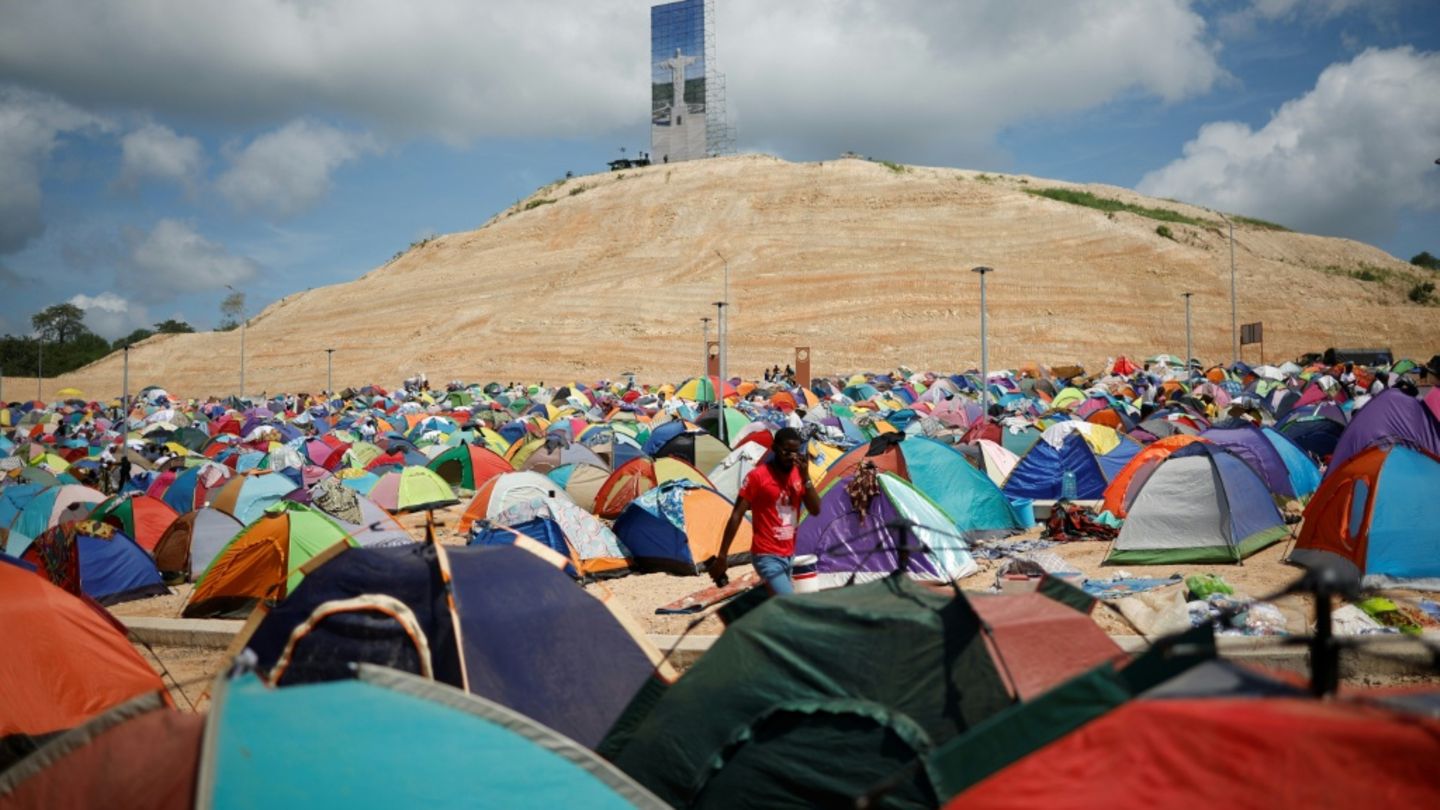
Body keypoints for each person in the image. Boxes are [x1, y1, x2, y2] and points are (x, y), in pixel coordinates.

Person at [708, 427, 822, 594]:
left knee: (778, 603)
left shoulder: (799, 475)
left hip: (789, 553)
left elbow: (816, 510)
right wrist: (723, 556)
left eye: (795, 452)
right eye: (786, 452)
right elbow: (737, 515)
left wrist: (806, 478)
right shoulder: (757, 477)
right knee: (789, 602)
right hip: (766, 555)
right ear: (775, 448)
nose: (791, 457)